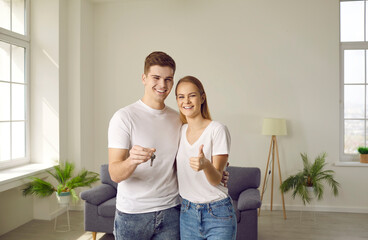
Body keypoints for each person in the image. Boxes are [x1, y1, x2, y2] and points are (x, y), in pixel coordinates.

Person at [108, 51, 182, 240]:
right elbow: (115, 173)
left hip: (171, 211)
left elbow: (181, 163)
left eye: (168, 79)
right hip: (132, 215)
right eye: (156, 77)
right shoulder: (124, 117)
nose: (162, 85)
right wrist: (132, 160)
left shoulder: (178, 118)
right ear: (144, 78)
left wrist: (216, 170)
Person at [175, 76, 237, 240]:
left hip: (217, 213)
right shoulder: (179, 131)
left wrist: (206, 165)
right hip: (187, 212)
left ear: (202, 97)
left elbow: (217, 179)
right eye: (181, 96)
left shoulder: (217, 130)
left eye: (192, 95)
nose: (186, 101)